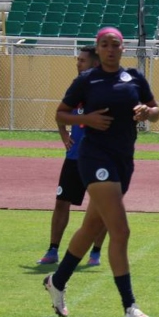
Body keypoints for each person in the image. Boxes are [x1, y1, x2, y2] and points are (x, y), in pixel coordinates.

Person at [43, 27, 159, 317]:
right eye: (104, 45)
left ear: (123, 48)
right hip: (94, 159)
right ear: (98, 48)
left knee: (91, 226)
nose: (109, 49)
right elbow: (60, 114)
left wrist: (147, 112)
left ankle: (57, 280)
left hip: (123, 160)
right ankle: (130, 306)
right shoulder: (87, 80)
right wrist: (86, 119)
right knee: (120, 231)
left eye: (115, 45)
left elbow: (156, 110)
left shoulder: (134, 77)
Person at [36, 45, 107, 267]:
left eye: (82, 60)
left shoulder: (106, 90)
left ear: (95, 64)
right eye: (77, 60)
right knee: (61, 202)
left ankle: (95, 252)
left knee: (102, 206)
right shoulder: (76, 88)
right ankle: (53, 250)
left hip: (100, 159)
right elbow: (60, 113)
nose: (78, 63)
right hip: (75, 158)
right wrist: (63, 134)